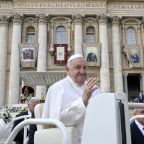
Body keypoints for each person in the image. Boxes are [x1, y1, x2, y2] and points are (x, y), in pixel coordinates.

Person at [42, 54, 101, 144]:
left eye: (84, 68)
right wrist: (83, 101)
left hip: (98, 136)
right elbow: (58, 122)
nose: (82, 71)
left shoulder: (94, 88)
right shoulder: (57, 89)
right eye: (78, 67)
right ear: (67, 70)